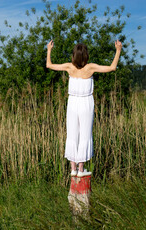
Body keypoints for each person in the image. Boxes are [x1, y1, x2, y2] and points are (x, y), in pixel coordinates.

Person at [46, 40, 122, 177]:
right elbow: (112, 67)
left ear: (74, 55)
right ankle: (81, 169)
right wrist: (118, 50)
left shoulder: (69, 67)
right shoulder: (90, 68)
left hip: (73, 102)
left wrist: (49, 50)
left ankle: (73, 168)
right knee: (85, 134)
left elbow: (49, 65)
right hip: (86, 102)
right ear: (86, 55)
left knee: (72, 133)